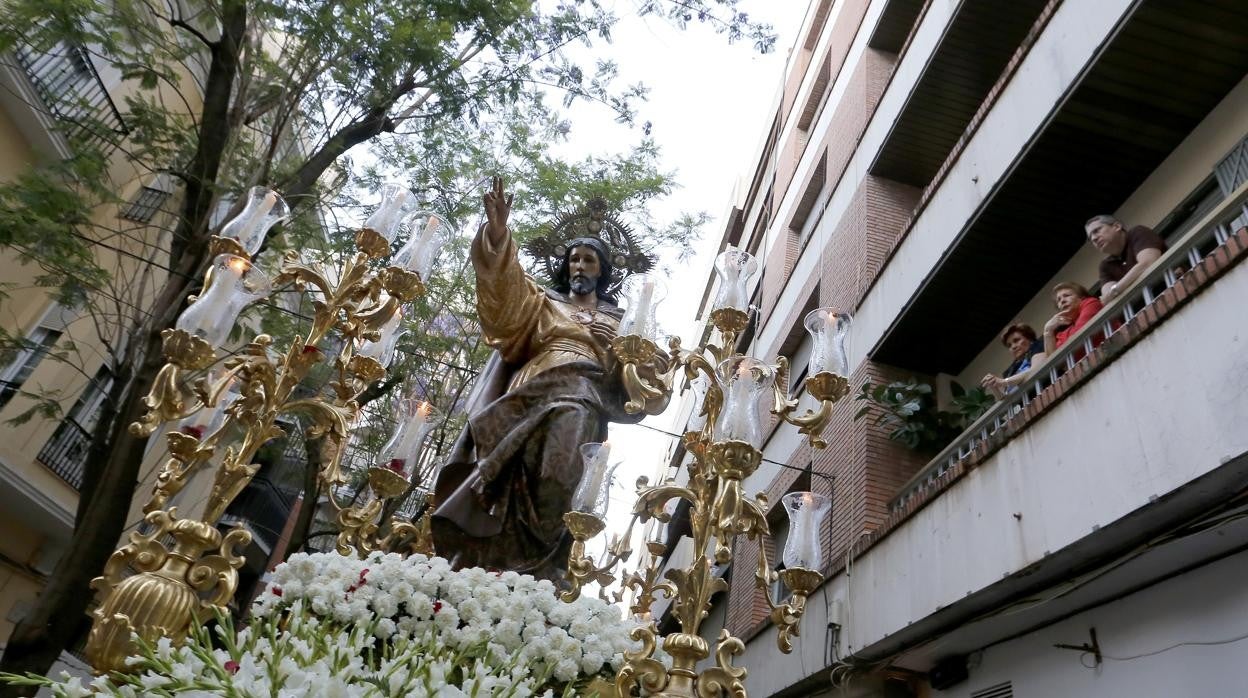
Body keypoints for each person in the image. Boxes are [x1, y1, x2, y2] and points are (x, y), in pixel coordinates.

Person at [431, 177, 667, 584]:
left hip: (584, 394)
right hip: (529, 391)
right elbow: (504, 292)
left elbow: (648, 379)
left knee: (558, 474)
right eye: (574, 259)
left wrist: (617, 350)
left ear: (603, 271)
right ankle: (495, 562)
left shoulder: (621, 321)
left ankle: (543, 568)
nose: (579, 266)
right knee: (510, 476)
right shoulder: (543, 302)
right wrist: (499, 234)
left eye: (589, 260)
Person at [1086, 214, 1167, 303]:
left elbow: (1148, 262)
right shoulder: (1105, 266)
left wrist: (1116, 289)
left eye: (1097, 230)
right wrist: (1115, 291)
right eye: (1090, 238)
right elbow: (1108, 297)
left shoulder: (1137, 232)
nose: (1094, 238)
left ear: (1117, 226)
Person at [980, 324, 1044, 397]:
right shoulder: (1010, 371)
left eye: (1016, 340)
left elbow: (1036, 370)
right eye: (1009, 345)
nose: (1013, 347)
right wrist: (994, 386)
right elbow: (1005, 400)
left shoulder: (1038, 346)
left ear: (1030, 339)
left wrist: (1004, 381)